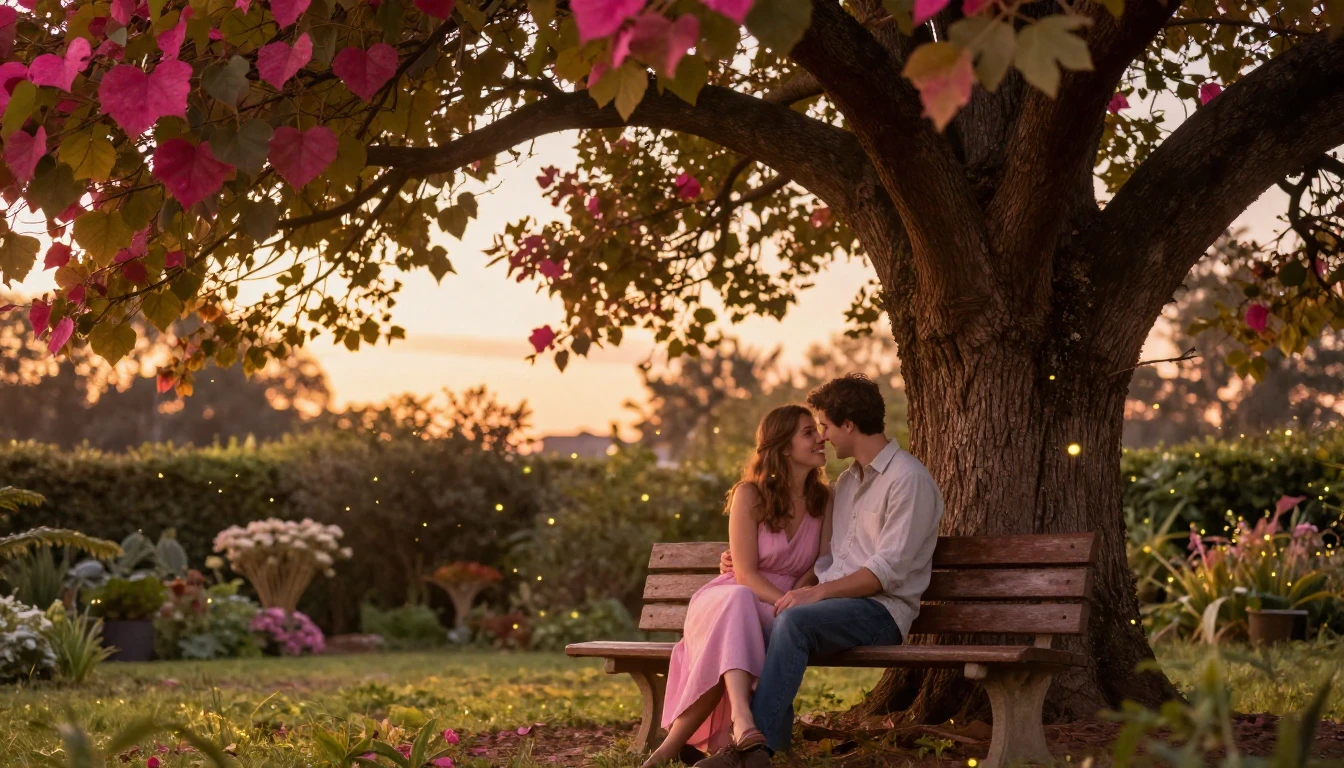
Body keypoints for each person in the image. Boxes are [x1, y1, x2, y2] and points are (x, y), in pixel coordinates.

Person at [703, 373, 945, 765]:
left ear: (849, 424)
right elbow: (825, 557)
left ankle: (754, 748)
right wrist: (740, 563)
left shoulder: (908, 480)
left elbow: (886, 572)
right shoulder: (848, 483)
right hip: (835, 606)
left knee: (795, 621)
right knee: (773, 614)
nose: (824, 437)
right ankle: (756, 746)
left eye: (827, 426)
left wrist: (814, 593)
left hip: (882, 611)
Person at [640, 405, 831, 768]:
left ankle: (667, 749)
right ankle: (743, 720)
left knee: (727, 640)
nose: (820, 438)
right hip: (733, 596)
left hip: (783, 609)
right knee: (739, 602)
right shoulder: (750, 495)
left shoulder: (825, 499)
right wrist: (785, 602)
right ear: (785, 447)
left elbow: (819, 566)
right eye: (808, 432)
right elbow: (744, 574)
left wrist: (798, 597)